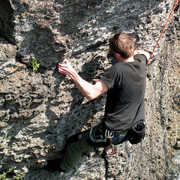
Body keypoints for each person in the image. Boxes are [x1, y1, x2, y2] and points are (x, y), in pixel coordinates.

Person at [45, 32, 150, 173]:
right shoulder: (141, 61)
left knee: (73, 144)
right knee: (113, 135)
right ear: (132, 48)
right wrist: (131, 51)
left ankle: (63, 168)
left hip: (114, 132)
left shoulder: (117, 71)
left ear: (117, 55)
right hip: (135, 128)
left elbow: (92, 93)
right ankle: (109, 146)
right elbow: (146, 53)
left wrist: (72, 72)